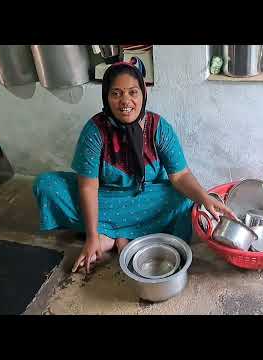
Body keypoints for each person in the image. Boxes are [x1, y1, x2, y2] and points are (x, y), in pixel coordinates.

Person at [33, 60, 235, 274]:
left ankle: (112, 236)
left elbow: (180, 175)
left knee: (184, 198)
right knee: (46, 185)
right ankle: (108, 236)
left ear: (143, 94)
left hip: (145, 196)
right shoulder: (95, 131)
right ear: (106, 97)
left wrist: (205, 198)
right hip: (104, 197)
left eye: (132, 92)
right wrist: (91, 239)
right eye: (116, 93)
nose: (125, 101)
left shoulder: (158, 128)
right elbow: (88, 187)